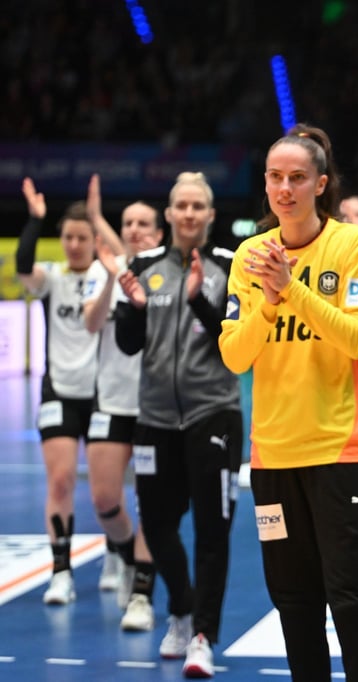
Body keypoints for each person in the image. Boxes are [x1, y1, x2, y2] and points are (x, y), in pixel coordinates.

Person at [219, 123, 358, 682]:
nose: (284, 188)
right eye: (275, 177)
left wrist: (291, 289)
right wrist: (267, 304)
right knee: (294, 606)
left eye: (297, 178)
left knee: (352, 603)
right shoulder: (249, 255)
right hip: (273, 457)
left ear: (322, 183)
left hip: (341, 453)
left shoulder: (354, 245)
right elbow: (234, 355)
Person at [115, 171, 242, 679]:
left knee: (213, 530)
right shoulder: (142, 267)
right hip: (154, 418)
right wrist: (137, 312)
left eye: (198, 206)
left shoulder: (230, 267)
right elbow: (127, 344)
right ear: (168, 215)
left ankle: (203, 637)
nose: (188, 214)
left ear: (210, 216)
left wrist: (197, 300)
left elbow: (234, 346)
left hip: (213, 413)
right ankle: (182, 607)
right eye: (181, 206)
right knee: (157, 524)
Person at [15, 178, 104, 606]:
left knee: (109, 490)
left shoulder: (108, 280)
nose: (72, 245)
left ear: (93, 240)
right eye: (67, 237)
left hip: (104, 394)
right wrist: (35, 220)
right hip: (59, 392)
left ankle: (121, 556)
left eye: (81, 237)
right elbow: (22, 266)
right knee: (62, 480)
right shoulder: (52, 279)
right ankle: (61, 570)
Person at [81, 174, 163, 631]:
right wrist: (112, 279)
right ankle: (124, 549)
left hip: (153, 406)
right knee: (105, 500)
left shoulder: (163, 274)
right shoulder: (102, 271)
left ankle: (142, 595)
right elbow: (93, 325)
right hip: (110, 403)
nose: (133, 229)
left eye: (142, 223)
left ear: (158, 232)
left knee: (151, 503)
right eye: (127, 222)